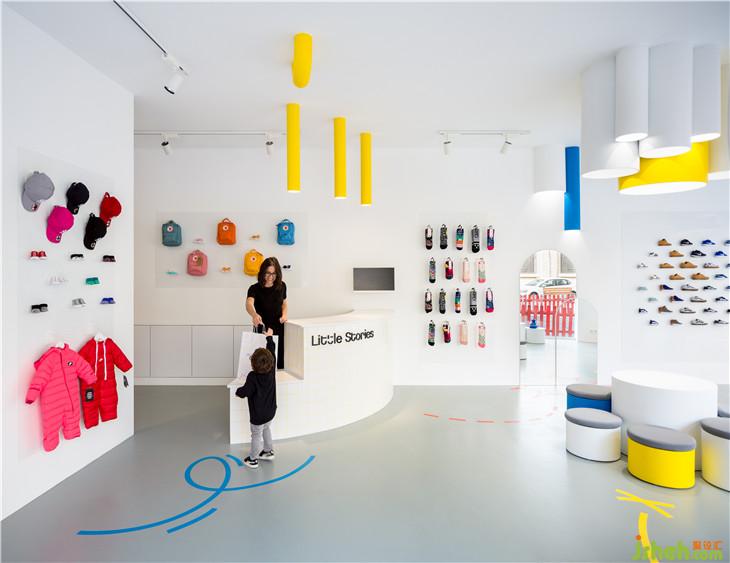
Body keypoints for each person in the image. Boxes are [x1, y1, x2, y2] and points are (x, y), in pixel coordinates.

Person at [235, 337, 277, 468]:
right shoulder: (272, 370)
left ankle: (253, 459)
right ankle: (268, 451)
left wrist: (238, 391)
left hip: (258, 416)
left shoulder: (252, 377)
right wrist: (269, 338)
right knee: (266, 428)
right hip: (271, 411)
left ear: (253, 363)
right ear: (271, 361)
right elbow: (272, 350)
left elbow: (245, 392)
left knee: (256, 435)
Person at [246, 257, 287, 369]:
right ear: (262, 272)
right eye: (267, 273)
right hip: (262, 328)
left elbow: (284, 303)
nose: (270, 277)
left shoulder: (282, 286)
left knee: (279, 360)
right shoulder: (254, 288)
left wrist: (284, 314)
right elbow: (249, 303)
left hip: (278, 328)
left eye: (273, 274)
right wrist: (254, 315)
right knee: (263, 363)